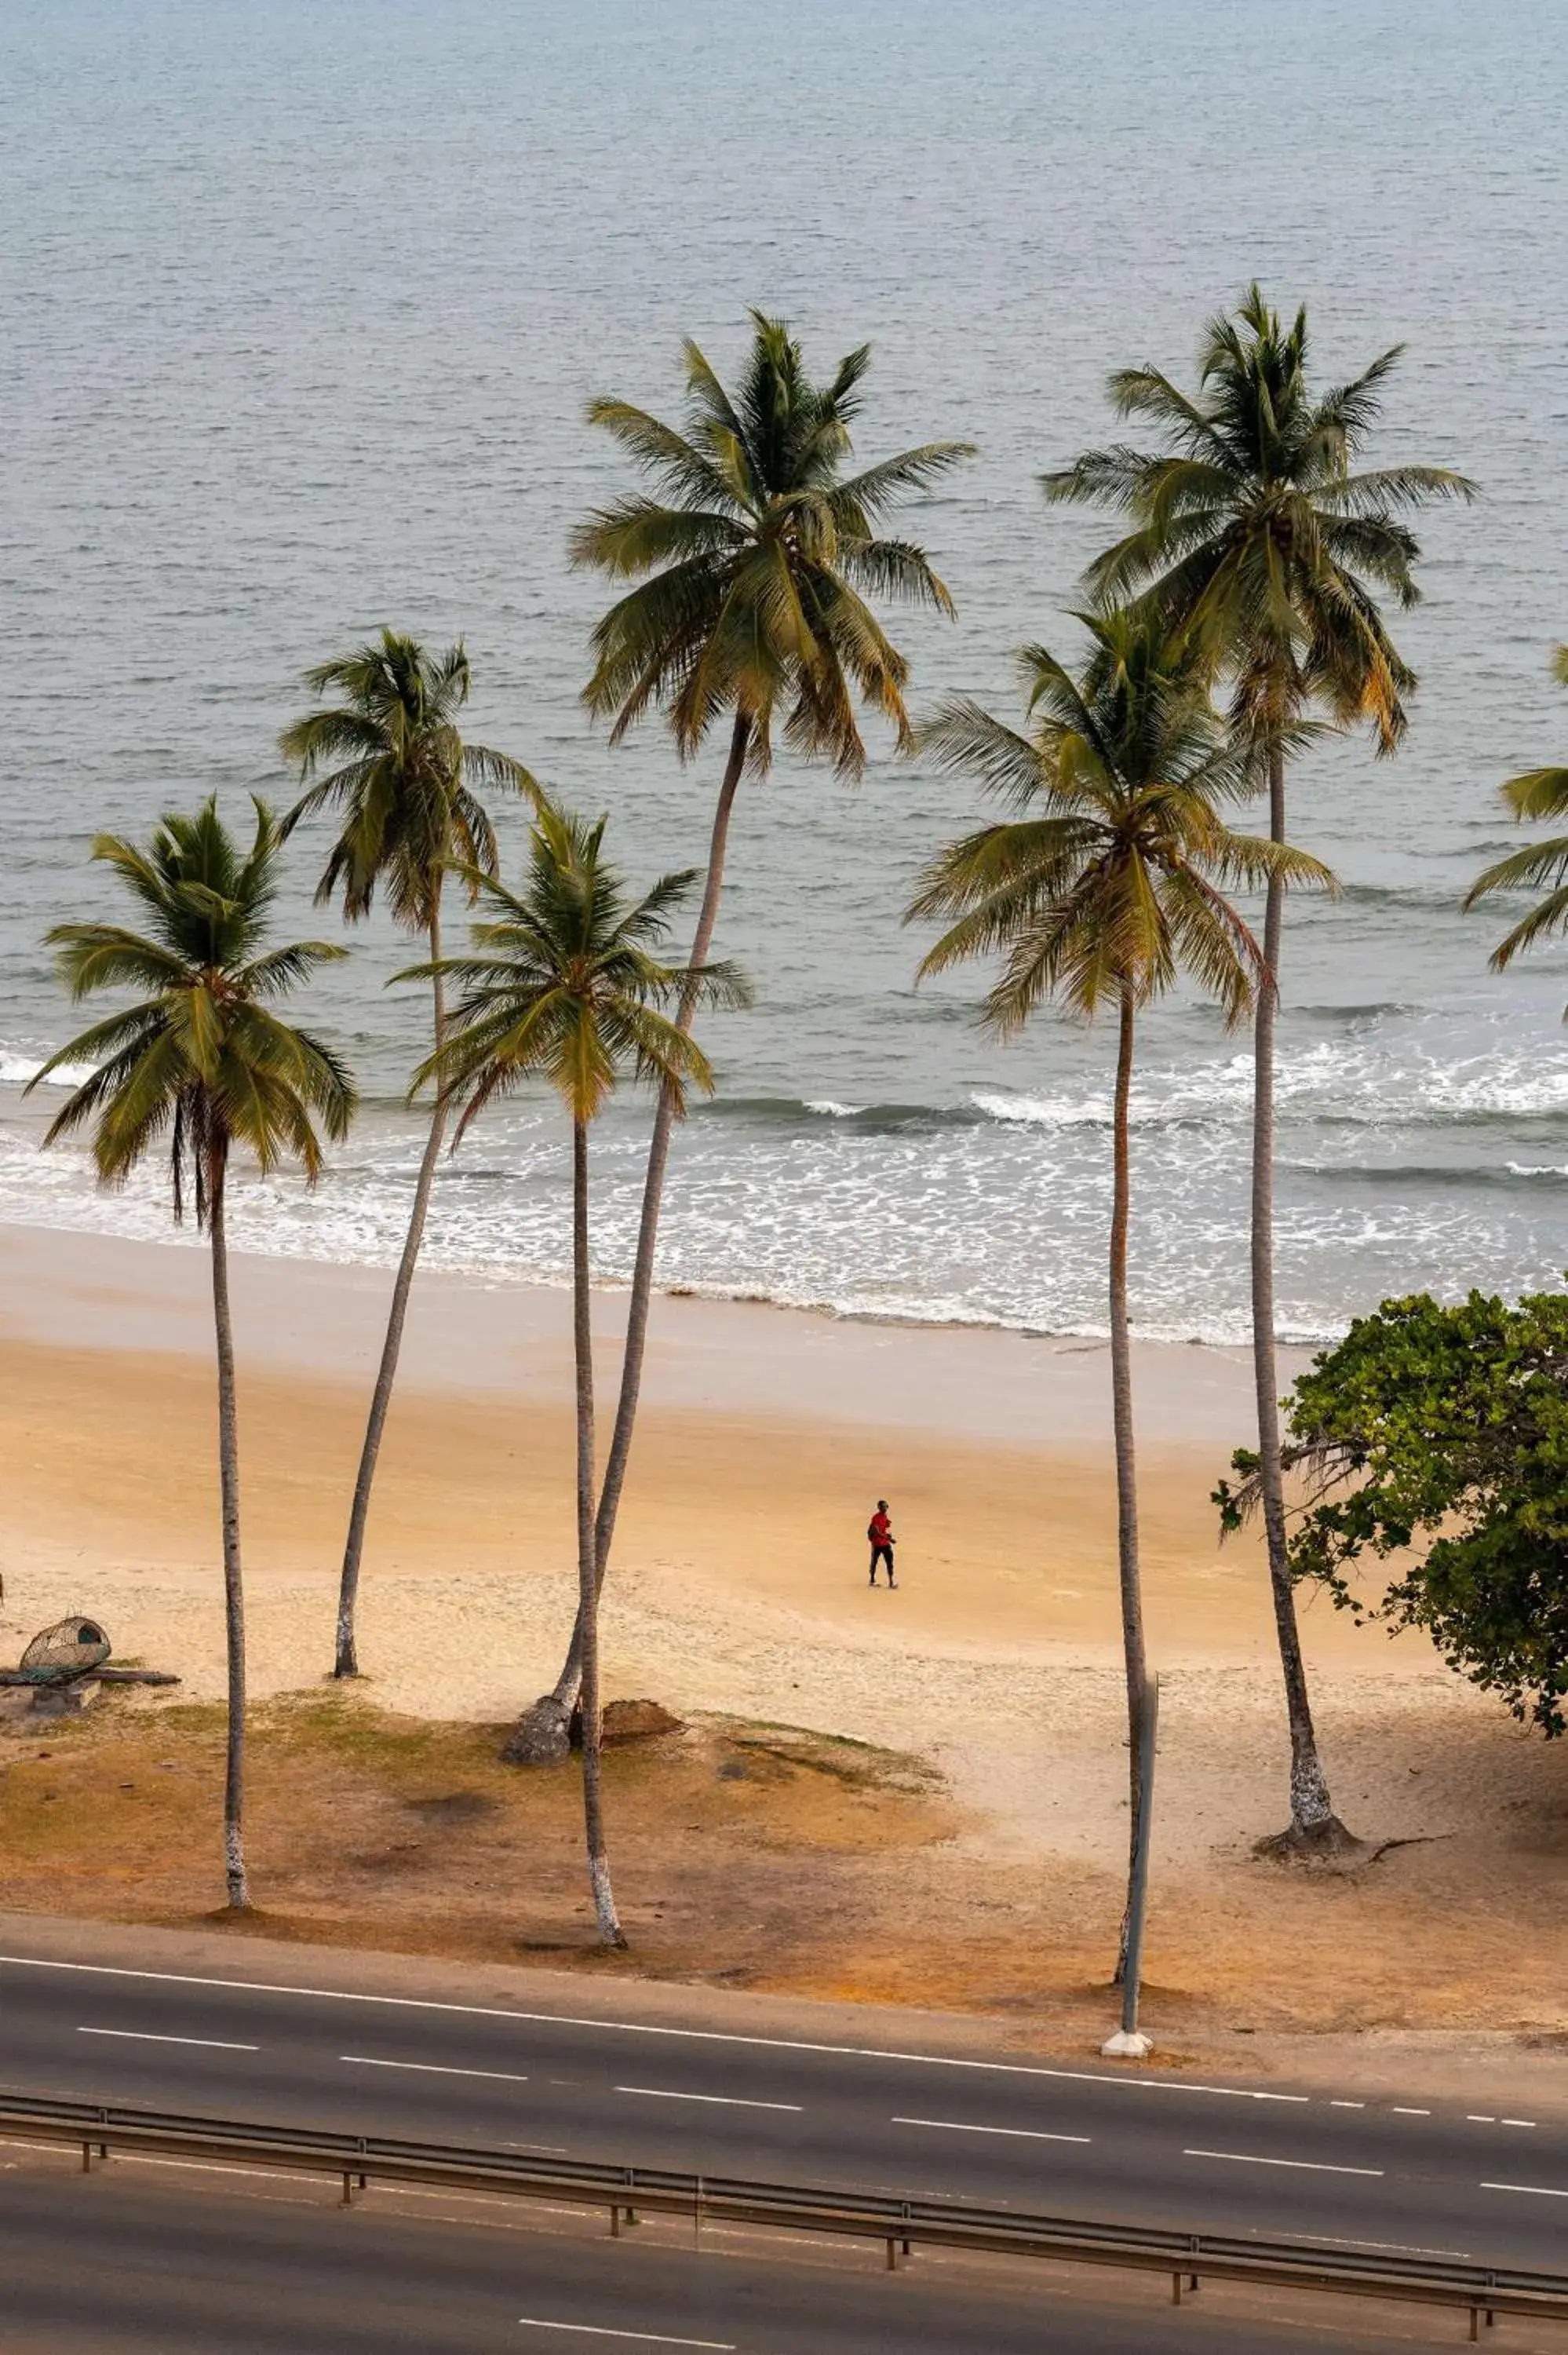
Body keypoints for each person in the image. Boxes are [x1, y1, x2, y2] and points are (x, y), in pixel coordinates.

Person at [867, 1499, 896, 1588]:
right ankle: (872, 1580)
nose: (885, 1508)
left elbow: (884, 1527)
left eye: (886, 1506)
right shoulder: (875, 1518)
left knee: (889, 1562)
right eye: (883, 1507)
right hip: (877, 1544)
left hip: (885, 1543)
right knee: (874, 1562)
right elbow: (878, 1532)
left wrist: (887, 1524)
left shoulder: (884, 1516)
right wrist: (889, 1539)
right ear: (879, 1508)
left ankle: (891, 1582)